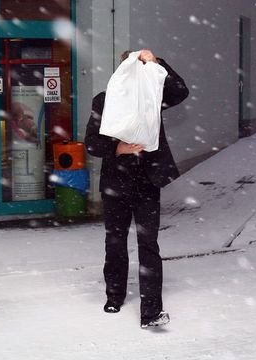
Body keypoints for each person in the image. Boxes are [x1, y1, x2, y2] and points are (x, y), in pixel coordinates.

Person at [85, 49, 189, 328]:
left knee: (148, 245)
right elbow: (92, 143)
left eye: (142, 70)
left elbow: (180, 91)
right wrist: (117, 147)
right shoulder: (105, 100)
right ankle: (114, 295)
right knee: (115, 243)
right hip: (115, 183)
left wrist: (157, 62)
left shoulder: (153, 98)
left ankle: (151, 311)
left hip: (147, 182)